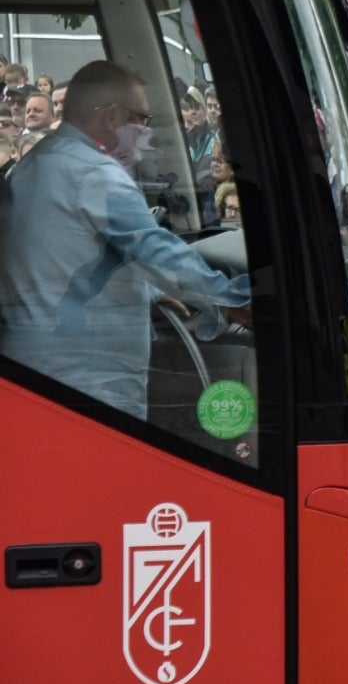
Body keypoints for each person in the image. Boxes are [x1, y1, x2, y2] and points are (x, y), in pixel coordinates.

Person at [0, 61, 250, 420]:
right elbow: (155, 249)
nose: (146, 133)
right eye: (142, 120)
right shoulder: (96, 174)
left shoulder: (33, 166)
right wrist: (232, 300)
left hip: (36, 371)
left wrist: (145, 289)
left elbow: (55, 258)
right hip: (91, 381)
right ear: (114, 117)